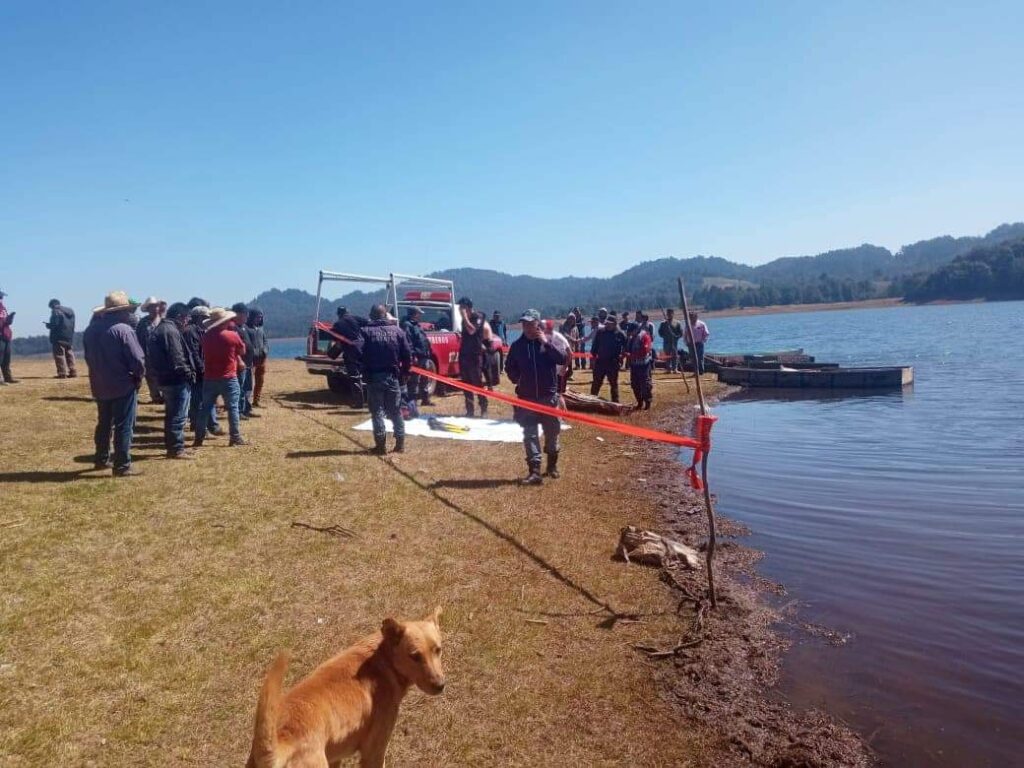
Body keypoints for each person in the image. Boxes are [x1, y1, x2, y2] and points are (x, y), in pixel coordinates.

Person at [82, 291, 145, 476]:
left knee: (104, 423)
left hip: (99, 383)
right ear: (122, 311)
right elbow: (138, 359)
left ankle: (101, 459)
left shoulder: (91, 330)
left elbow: (87, 357)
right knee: (124, 425)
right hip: (122, 384)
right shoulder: (123, 330)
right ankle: (122, 465)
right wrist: (138, 376)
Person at [505, 309, 567, 485]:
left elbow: (562, 358)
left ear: (538, 324)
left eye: (530, 324)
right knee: (530, 434)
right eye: (524, 323)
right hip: (527, 397)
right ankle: (534, 472)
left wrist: (545, 343)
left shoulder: (549, 342)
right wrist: (518, 379)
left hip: (548, 397)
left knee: (552, 432)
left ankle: (552, 466)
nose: (526, 327)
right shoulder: (517, 346)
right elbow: (509, 367)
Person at [361, 304, 412, 454]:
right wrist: (405, 372)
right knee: (395, 411)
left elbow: (358, 352)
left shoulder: (365, 332)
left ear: (371, 315)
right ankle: (400, 444)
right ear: (385, 315)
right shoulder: (397, 331)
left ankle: (381, 446)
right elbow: (407, 354)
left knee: (377, 412)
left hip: (374, 377)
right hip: (393, 376)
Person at [147, 302, 197, 459]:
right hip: (176, 380)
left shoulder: (161, 328)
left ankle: (173, 446)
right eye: (186, 318)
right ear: (179, 317)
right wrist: (189, 375)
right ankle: (176, 448)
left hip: (164, 378)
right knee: (178, 416)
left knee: (171, 414)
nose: (187, 321)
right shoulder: (170, 331)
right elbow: (177, 359)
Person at [194, 307, 248, 448]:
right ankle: (235, 437)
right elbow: (242, 350)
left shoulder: (205, 337)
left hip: (210, 377)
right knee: (233, 408)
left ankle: (198, 438)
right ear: (224, 321)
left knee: (205, 408)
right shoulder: (232, 335)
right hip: (229, 377)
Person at [183, 305, 222, 436]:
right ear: (199, 318)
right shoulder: (190, 331)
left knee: (207, 399)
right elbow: (193, 353)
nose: (208, 321)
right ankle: (199, 426)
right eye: (206, 318)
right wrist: (202, 369)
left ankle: (212, 425)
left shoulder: (203, 331)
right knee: (198, 400)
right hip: (198, 372)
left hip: (205, 371)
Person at [457, 297, 491, 417]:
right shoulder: (464, 320)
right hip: (464, 356)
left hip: (475, 356)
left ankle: (484, 408)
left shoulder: (478, 316)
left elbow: (472, 331)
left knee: (477, 383)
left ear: (468, 307)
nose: (460, 310)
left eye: (462, 307)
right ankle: (470, 410)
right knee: (466, 384)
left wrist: (465, 317)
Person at [589, 315, 626, 402]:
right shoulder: (600, 332)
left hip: (613, 363)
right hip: (600, 362)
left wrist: (622, 356)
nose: (608, 325)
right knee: (596, 383)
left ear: (615, 324)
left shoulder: (620, 334)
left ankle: (615, 402)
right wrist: (593, 359)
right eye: (607, 323)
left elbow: (626, 346)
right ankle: (591, 401)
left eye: (610, 323)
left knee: (613, 384)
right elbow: (594, 347)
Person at [401, 307, 433, 406]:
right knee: (414, 380)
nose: (420, 315)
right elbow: (408, 342)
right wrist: (413, 355)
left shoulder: (417, 325)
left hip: (424, 356)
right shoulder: (407, 325)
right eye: (419, 313)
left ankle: (425, 399)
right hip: (417, 357)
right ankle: (412, 402)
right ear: (414, 314)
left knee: (425, 379)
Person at [136, 297, 166, 404]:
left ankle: (166, 396)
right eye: (151, 307)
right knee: (150, 377)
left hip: (162, 356)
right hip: (147, 355)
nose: (154, 309)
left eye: (156, 306)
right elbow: (138, 339)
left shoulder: (164, 321)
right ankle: (156, 397)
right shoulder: (142, 323)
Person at [232, 303, 257, 419]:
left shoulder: (244, 327)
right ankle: (239, 411)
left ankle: (246, 408)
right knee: (240, 389)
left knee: (247, 388)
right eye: (245, 314)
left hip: (247, 363)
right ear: (237, 314)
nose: (247, 317)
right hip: (239, 364)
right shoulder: (233, 327)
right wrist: (239, 360)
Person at [45, 299, 77, 378]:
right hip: (69, 336)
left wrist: (48, 325)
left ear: (52, 305)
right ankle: (73, 371)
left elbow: (55, 324)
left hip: (58, 337)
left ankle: (62, 373)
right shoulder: (70, 311)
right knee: (69, 354)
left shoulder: (55, 311)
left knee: (59, 355)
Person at [626, 321, 654, 410]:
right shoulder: (631, 338)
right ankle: (639, 402)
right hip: (634, 365)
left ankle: (648, 403)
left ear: (636, 329)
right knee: (634, 384)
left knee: (645, 384)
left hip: (644, 365)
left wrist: (631, 355)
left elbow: (644, 351)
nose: (630, 333)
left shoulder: (645, 337)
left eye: (631, 331)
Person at [248, 307, 269, 408]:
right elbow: (246, 343)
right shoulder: (247, 328)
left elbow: (265, 341)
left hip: (262, 358)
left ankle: (256, 400)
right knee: (248, 382)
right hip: (251, 358)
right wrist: (253, 352)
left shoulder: (261, 329)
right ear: (251, 317)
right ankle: (245, 402)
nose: (259, 319)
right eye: (257, 317)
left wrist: (265, 350)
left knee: (260, 380)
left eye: (261, 317)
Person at [544, 319, 572, 396]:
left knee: (560, 394)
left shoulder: (560, 338)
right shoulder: (542, 337)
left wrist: (565, 367)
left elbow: (570, 353)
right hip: (549, 371)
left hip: (560, 371)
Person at [0, 288, 18, 385]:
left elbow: (6, 321)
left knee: (6, 359)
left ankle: (8, 377)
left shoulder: (2, 307)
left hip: (6, 336)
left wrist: (10, 318)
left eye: (1, 297)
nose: (1, 298)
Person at [658, 309, 684, 373]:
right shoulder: (663, 323)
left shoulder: (677, 323)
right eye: (668, 314)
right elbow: (660, 332)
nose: (669, 315)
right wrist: (664, 336)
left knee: (674, 356)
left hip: (674, 342)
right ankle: (668, 369)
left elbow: (681, 333)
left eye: (670, 313)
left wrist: (677, 337)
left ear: (673, 314)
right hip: (666, 342)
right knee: (667, 356)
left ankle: (675, 369)